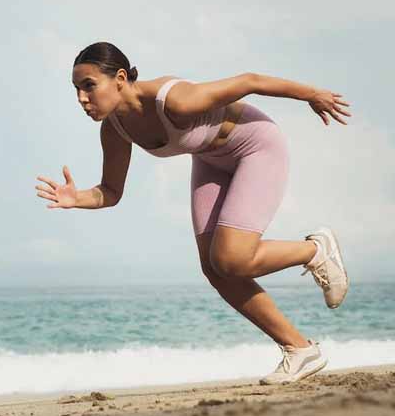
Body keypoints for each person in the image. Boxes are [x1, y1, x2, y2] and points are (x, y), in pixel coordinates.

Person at [35, 42, 352, 384]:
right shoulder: (114, 129)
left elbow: (250, 81)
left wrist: (312, 94)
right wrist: (76, 198)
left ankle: (316, 250)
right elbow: (111, 192)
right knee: (214, 268)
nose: (82, 98)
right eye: (77, 89)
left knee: (232, 259)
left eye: (89, 86)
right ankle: (300, 349)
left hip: (255, 146)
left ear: (120, 78)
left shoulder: (174, 100)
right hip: (210, 158)